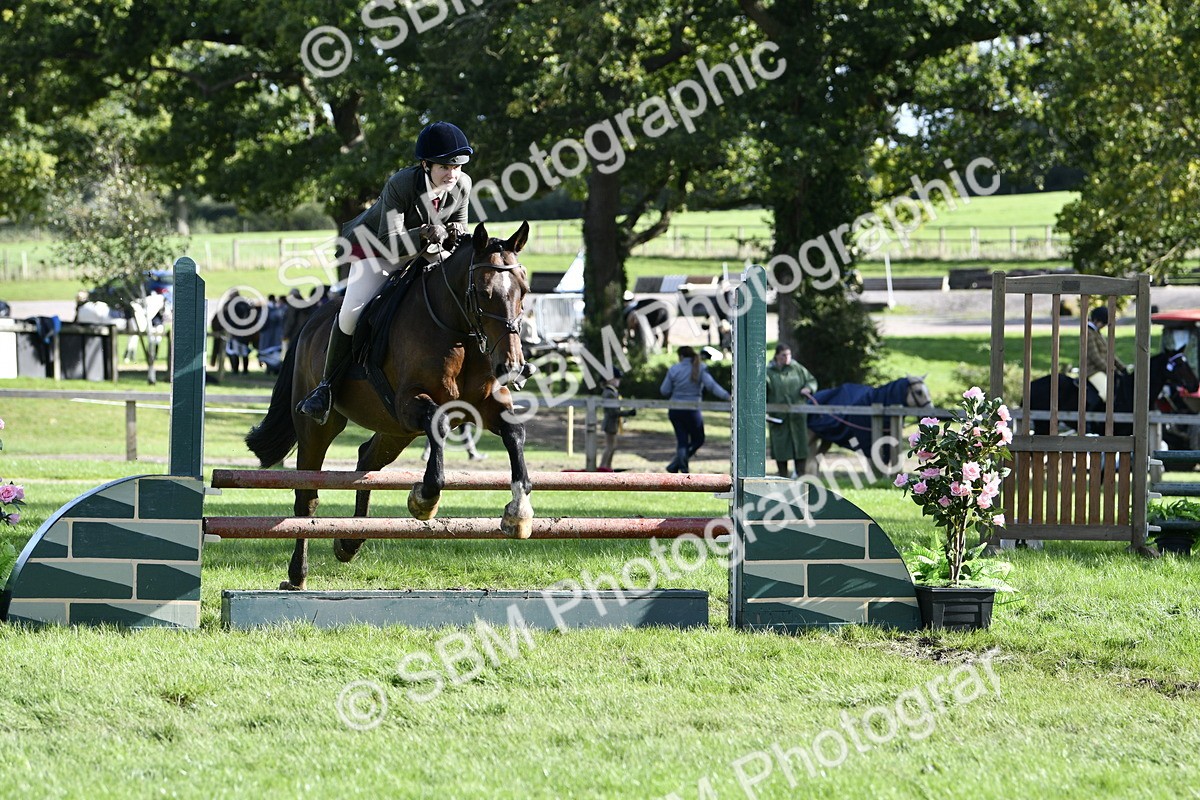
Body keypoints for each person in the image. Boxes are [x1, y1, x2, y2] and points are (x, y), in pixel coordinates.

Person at [296, 121, 475, 423]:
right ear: (425, 164)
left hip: (425, 251)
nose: (452, 174)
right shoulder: (402, 184)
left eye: (457, 166)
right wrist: (422, 233)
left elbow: (458, 232)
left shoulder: (462, 185)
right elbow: (387, 241)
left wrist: (457, 233)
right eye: (445, 167)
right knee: (351, 313)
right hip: (376, 250)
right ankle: (325, 389)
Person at [660, 345, 730, 473]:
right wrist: (727, 396)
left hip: (675, 409)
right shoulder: (700, 368)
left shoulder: (674, 369)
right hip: (692, 410)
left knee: (682, 440)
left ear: (681, 356)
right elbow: (712, 386)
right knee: (698, 439)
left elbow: (664, 390)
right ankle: (679, 465)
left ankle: (678, 465)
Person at [765, 343, 817, 478]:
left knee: (800, 450)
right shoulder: (768, 373)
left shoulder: (797, 368)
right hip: (779, 419)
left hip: (797, 418)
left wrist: (808, 388)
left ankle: (801, 481)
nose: (787, 357)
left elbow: (811, 380)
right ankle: (782, 479)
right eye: (784, 355)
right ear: (777, 356)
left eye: (789, 354)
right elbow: (761, 392)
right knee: (781, 451)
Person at [598, 368, 636, 471]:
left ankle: (608, 467)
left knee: (613, 446)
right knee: (609, 447)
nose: (618, 380)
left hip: (613, 423)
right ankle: (602, 467)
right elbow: (613, 412)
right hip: (610, 423)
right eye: (616, 378)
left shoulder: (613, 392)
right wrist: (628, 413)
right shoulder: (609, 393)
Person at [1086, 306, 1126, 402]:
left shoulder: (1097, 333)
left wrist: (1122, 368)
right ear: (1095, 320)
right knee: (1106, 392)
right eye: (1103, 323)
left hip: (1104, 369)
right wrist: (1112, 370)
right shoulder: (1088, 333)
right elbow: (1095, 357)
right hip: (1093, 371)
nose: (1103, 325)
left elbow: (1109, 354)